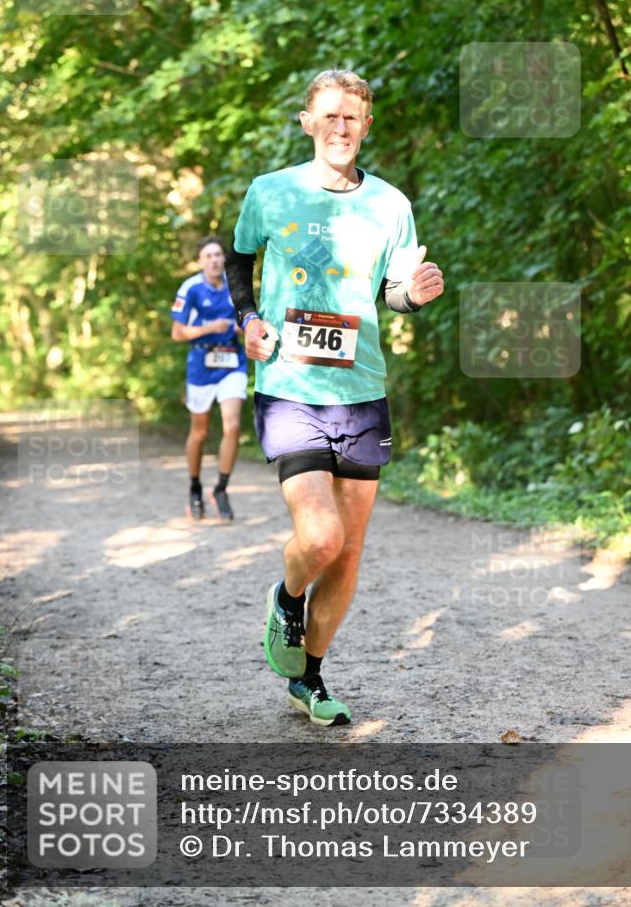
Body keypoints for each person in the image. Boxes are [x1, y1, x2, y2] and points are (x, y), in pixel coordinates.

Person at [226, 69, 444, 727]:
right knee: (319, 536)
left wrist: (416, 293)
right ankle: (286, 597)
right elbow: (239, 261)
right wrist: (247, 321)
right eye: (328, 116)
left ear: (366, 125)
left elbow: (395, 291)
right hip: (290, 387)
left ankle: (310, 679)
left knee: (348, 549)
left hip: (362, 393)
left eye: (352, 117)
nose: (340, 127)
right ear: (306, 122)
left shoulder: (389, 205)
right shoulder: (270, 192)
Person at [170, 236, 247, 520]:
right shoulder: (190, 288)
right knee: (200, 433)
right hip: (201, 364)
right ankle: (194, 487)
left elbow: (248, 319)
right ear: (201, 261)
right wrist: (208, 328)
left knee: (232, 426)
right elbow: (177, 333)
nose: (215, 260)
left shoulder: (235, 284)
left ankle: (222, 488)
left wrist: (243, 327)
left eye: (218, 255)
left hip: (232, 362)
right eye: (208, 256)